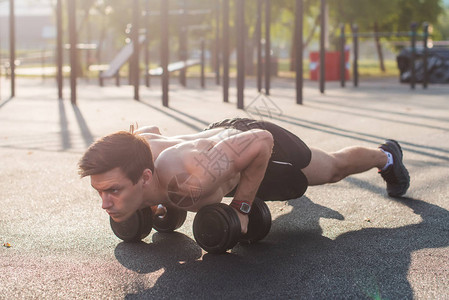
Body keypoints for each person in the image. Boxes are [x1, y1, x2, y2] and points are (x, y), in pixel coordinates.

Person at [78, 118, 410, 233]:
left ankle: (387, 156)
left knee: (331, 170)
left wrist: (241, 208)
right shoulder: (137, 152)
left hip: (251, 140)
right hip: (216, 143)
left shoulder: (188, 178)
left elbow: (260, 143)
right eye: (101, 192)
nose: (105, 204)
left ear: (145, 176)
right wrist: (150, 203)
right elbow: (148, 131)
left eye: (114, 191)